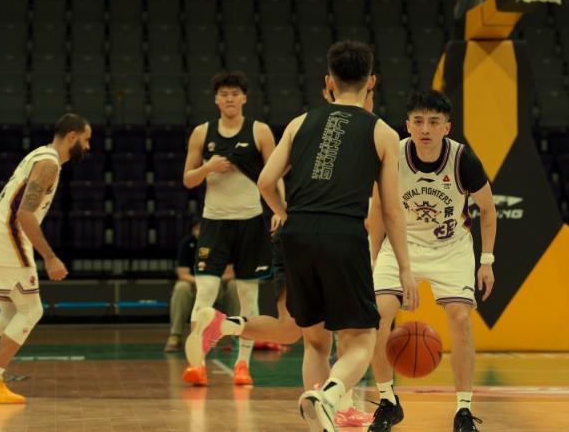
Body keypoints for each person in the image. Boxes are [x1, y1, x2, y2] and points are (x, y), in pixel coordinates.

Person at [192, 40, 417, 431]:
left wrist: (285, 215)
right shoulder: (382, 132)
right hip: (343, 234)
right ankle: (329, 395)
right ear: (371, 82)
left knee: (314, 340)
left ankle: (320, 419)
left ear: (328, 81)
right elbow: (390, 209)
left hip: (295, 234)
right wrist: (405, 268)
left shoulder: (299, 123)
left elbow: (265, 182)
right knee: (363, 338)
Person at [367, 89, 498, 432]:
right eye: (419, 121)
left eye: (434, 122)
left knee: (461, 319)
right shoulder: (393, 154)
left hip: (450, 247)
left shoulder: (463, 159)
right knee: (377, 317)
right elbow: (378, 209)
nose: (425, 128)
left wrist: (486, 261)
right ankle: (387, 401)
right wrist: (371, 257)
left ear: (447, 127)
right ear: (408, 124)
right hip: (403, 244)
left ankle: (464, 410)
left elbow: (487, 209)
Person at [0, 113, 91, 403]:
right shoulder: (49, 163)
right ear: (73, 137)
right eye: (86, 139)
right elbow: (25, 214)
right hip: (7, 237)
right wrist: (50, 258)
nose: (88, 146)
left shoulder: (40, 155)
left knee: (10, 316)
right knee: (31, 310)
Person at [180, 70, 279, 387]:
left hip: (250, 221)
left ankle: (242, 364)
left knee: (248, 297)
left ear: (244, 98)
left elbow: (275, 173)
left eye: (235, 94)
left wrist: (280, 211)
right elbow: (188, 180)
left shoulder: (260, 131)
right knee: (205, 293)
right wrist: (208, 167)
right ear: (216, 99)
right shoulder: (202, 133)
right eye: (224, 94)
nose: (230, 99)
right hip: (214, 223)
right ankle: (197, 364)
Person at [164, 221, 239, 352]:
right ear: (193, 230)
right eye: (199, 229)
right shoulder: (187, 244)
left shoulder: (224, 243)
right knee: (181, 287)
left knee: (234, 285)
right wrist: (203, 282)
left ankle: (237, 334)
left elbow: (230, 273)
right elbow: (183, 274)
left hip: (218, 285)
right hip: (195, 285)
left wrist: (212, 281)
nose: (203, 232)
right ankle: (175, 335)